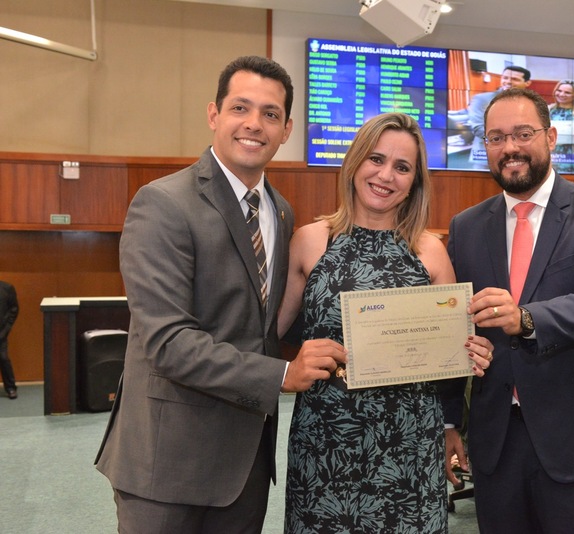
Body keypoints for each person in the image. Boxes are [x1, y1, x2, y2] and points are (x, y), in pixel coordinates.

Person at [95, 56, 348, 532]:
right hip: (167, 462)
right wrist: (284, 374)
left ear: (287, 129)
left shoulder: (281, 212)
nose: (254, 124)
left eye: (270, 114)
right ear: (214, 115)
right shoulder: (163, 203)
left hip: (246, 463)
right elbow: (168, 343)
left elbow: (267, 324)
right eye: (240, 108)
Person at [443, 87, 574, 532]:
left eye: (523, 134)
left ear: (551, 137)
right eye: (496, 137)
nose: (510, 148)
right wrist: (448, 422)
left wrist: (525, 319)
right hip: (497, 441)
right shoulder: (465, 227)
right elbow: (454, 328)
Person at [277, 112, 494, 533]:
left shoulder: (430, 250)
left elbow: (453, 353)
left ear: (414, 182)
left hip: (411, 443)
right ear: (355, 162)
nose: (386, 175)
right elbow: (273, 336)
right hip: (326, 441)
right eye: (376, 159)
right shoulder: (311, 240)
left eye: (402, 167)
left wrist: (473, 351)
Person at [467, 66, 531, 166]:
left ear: (527, 83)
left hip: (520, 159)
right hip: (487, 159)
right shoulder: (482, 99)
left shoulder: (531, 103)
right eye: (505, 78)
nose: (508, 82)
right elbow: (478, 128)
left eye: (515, 79)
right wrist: (510, 139)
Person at [0, 280, 19, 400]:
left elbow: (14, 309)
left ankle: (11, 388)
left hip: (1, 333)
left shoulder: (7, 288)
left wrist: (5, 330)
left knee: (3, 358)